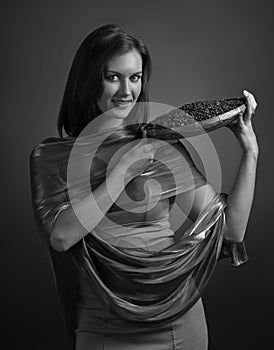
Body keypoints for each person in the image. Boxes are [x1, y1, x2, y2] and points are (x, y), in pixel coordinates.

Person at [30, 24, 259, 350]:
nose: (127, 90)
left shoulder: (161, 145)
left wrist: (250, 152)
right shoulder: (51, 157)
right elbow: (62, 236)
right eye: (113, 77)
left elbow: (232, 231)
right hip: (104, 327)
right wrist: (123, 170)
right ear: (88, 80)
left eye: (135, 77)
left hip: (178, 323)